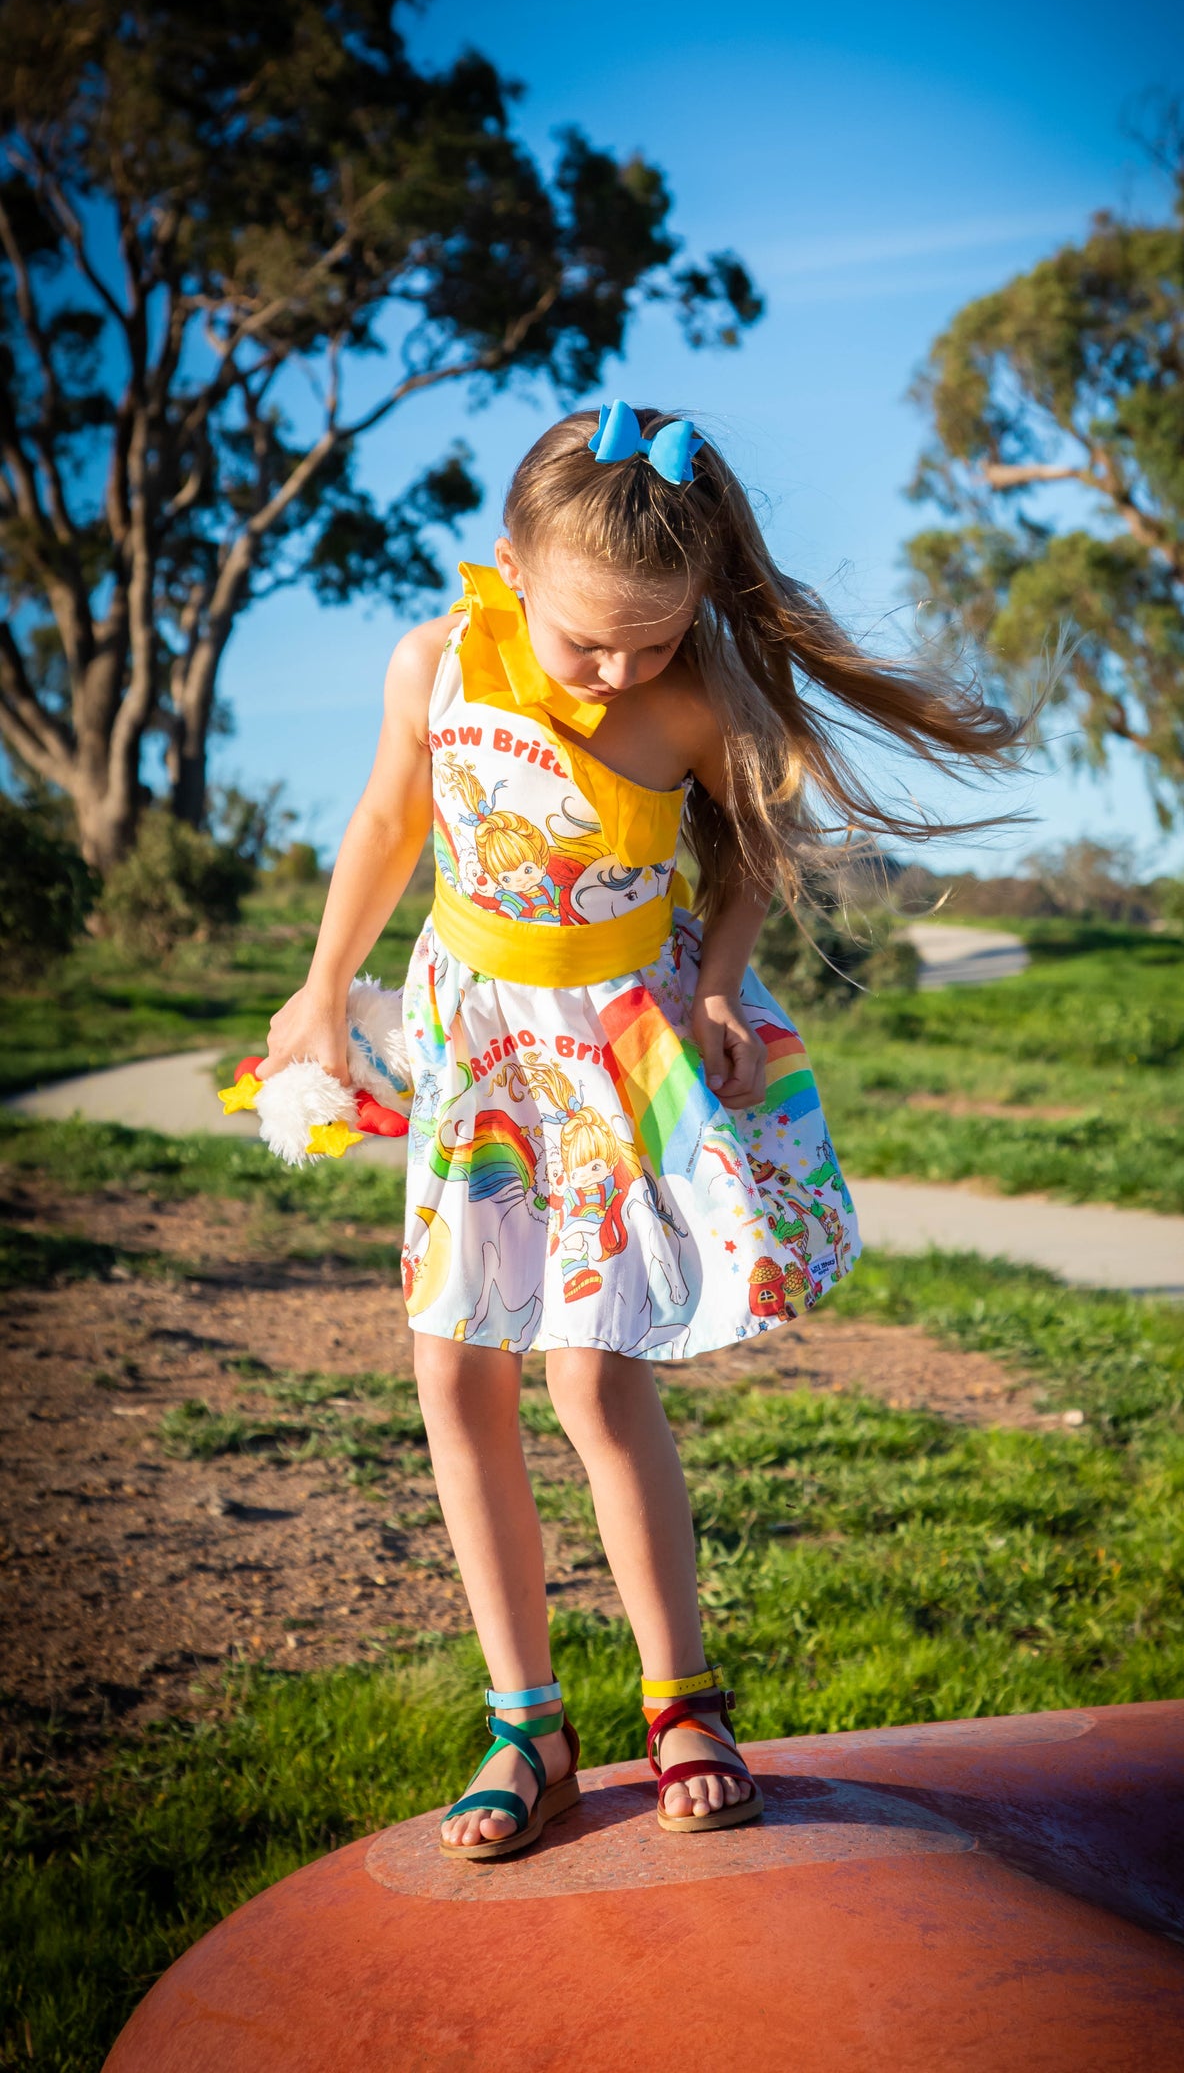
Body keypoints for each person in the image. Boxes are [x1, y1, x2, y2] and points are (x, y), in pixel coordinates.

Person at [259, 401, 1021, 1860]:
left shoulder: (697, 704)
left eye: (651, 642)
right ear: (511, 570)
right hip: (480, 1048)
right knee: (449, 1368)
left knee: (594, 1382)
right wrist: (314, 993)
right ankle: (526, 1725)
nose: (617, 673)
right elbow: (383, 828)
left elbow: (749, 852)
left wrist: (724, 984)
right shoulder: (434, 664)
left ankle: (681, 1701)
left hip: (614, 1053)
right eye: (586, 644)